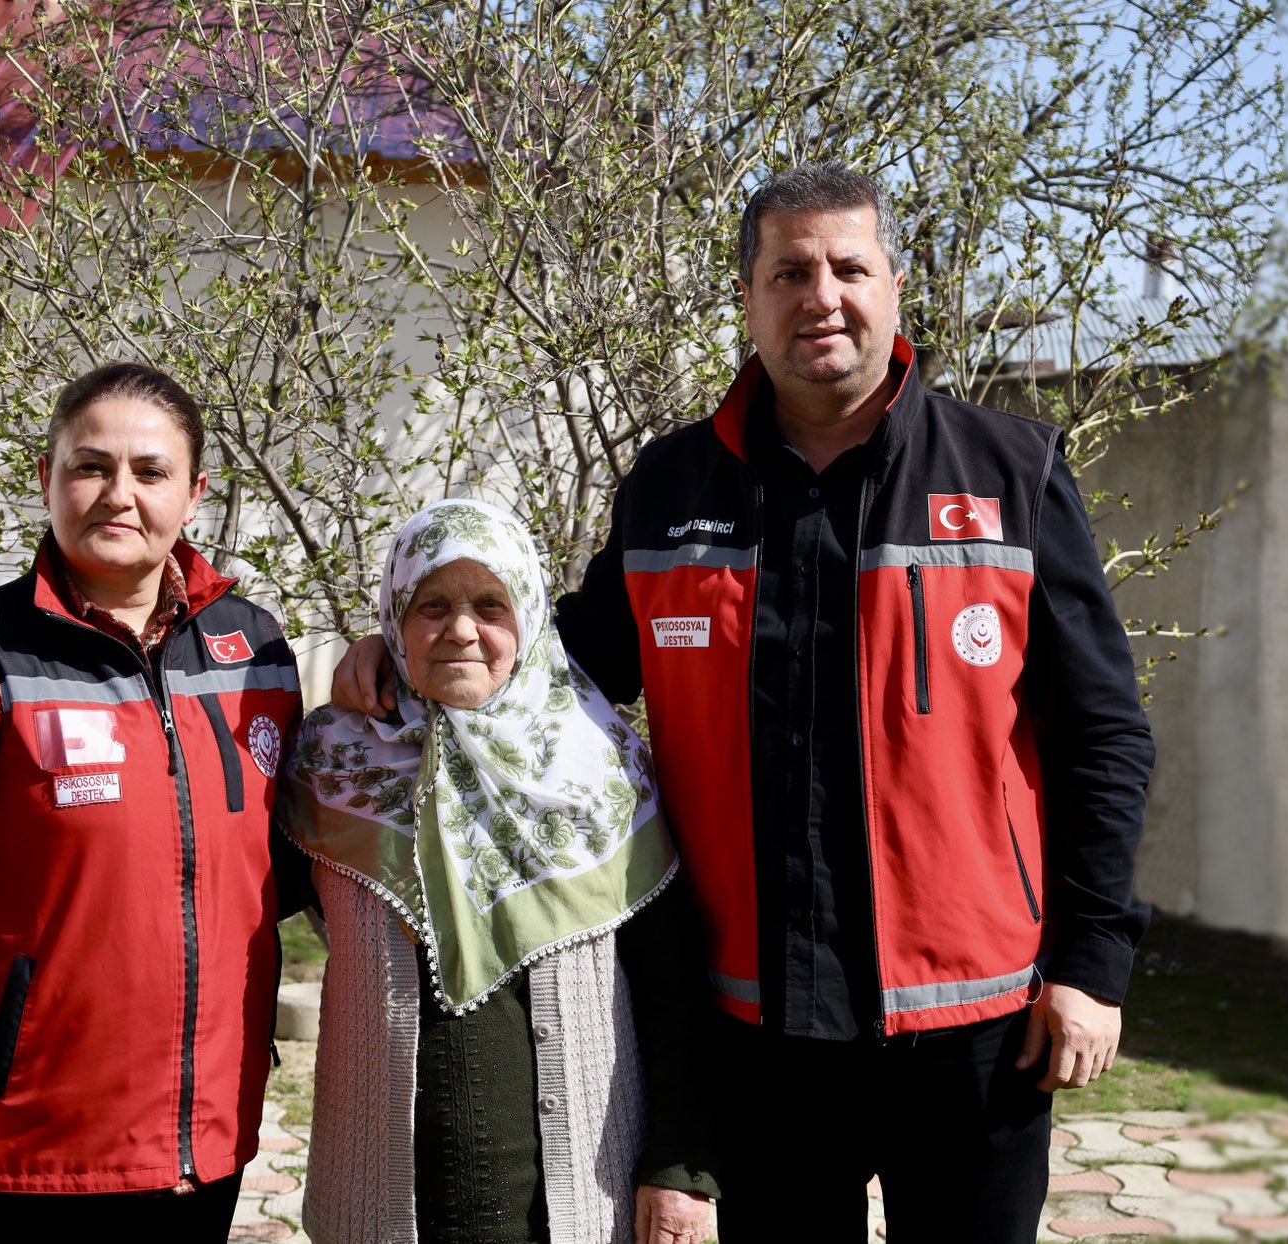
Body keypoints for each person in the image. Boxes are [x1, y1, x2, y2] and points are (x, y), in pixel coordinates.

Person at [331, 163, 1157, 1241]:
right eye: (789, 271)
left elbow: (1101, 735)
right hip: (755, 1028)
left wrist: (1091, 966)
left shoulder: (1011, 472)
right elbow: (555, 667)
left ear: (895, 285)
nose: (821, 295)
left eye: (847, 267)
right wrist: (411, 645)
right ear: (748, 299)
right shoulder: (672, 487)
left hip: (973, 1022)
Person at [0, 362, 304, 1241]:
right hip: (31, 1145)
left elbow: (284, 860)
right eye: (89, 466)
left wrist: (392, 679)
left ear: (195, 493)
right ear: (47, 477)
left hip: (207, 1131)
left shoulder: (252, 652)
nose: (118, 494)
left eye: (150, 471)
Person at [284, 498, 718, 1244]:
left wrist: (680, 1169)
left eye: (491, 604)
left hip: (575, 1199)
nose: (460, 629)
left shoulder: (601, 767)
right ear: (393, 619)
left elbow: (673, 987)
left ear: (529, 614)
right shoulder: (331, 760)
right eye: (431, 606)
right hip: (381, 1204)